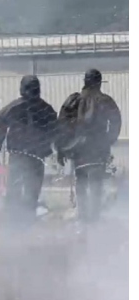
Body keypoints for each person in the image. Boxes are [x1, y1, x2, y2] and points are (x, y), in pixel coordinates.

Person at [56, 68, 122, 222]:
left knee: (81, 183)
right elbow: (116, 122)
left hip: (78, 151)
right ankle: (94, 221)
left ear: (85, 82)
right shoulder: (106, 100)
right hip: (98, 150)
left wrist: (62, 148)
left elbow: (61, 124)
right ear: (99, 82)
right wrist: (108, 140)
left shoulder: (74, 100)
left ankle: (83, 219)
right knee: (95, 186)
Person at [0, 75, 58, 225]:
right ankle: (20, 220)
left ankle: (19, 221)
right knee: (26, 190)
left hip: (24, 155)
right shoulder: (44, 108)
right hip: (27, 155)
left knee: (26, 190)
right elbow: (55, 130)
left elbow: (55, 130)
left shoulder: (15, 108)